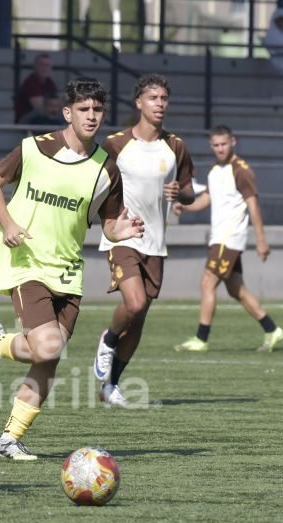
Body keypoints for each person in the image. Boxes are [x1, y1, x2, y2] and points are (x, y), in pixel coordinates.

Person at [0, 77, 144, 460]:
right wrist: (9, 224)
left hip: (68, 271)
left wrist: (123, 230)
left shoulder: (105, 168)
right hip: (27, 261)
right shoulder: (33, 148)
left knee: (48, 358)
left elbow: (109, 223)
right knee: (47, 347)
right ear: (68, 112)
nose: (92, 116)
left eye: (98, 109)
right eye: (84, 109)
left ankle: (8, 438)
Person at [92, 74, 196, 407]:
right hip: (124, 238)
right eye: (153, 98)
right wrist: (107, 218)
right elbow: (93, 184)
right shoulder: (116, 144)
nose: (160, 104)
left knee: (139, 317)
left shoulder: (175, 145)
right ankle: (107, 339)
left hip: (156, 242)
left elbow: (190, 191)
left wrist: (182, 193)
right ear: (139, 103)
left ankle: (111, 386)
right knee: (133, 303)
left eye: (164, 98)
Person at [172, 125, 283, 354]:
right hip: (220, 238)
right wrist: (184, 205)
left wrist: (261, 240)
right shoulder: (215, 171)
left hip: (228, 239)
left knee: (207, 283)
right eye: (216, 145)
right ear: (211, 146)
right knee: (236, 290)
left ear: (233, 142)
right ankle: (272, 330)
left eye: (224, 144)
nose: (220, 149)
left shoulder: (242, 170)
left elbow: (253, 206)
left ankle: (201, 339)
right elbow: (207, 199)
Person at [15, 54, 58, 123]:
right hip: (25, 120)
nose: (44, 68)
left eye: (47, 65)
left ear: (51, 68)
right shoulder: (30, 82)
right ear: (35, 66)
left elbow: (55, 106)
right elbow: (39, 108)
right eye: (41, 64)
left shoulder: (50, 83)